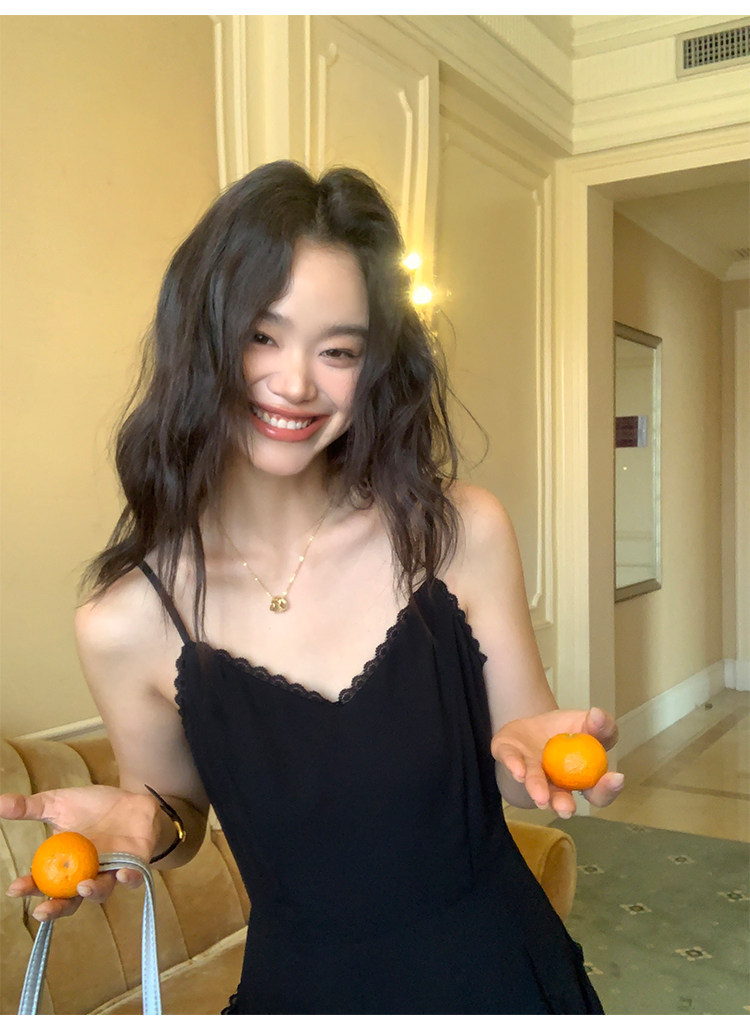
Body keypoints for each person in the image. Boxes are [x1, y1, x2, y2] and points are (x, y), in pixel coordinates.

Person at [2, 161, 623, 1013]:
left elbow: (521, 772)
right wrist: (147, 824)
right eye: (263, 335)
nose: (296, 383)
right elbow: (179, 820)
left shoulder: (459, 531)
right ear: (200, 340)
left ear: (375, 367)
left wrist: (535, 751)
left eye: (338, 350)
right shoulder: (125, 621)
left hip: (503, 972)